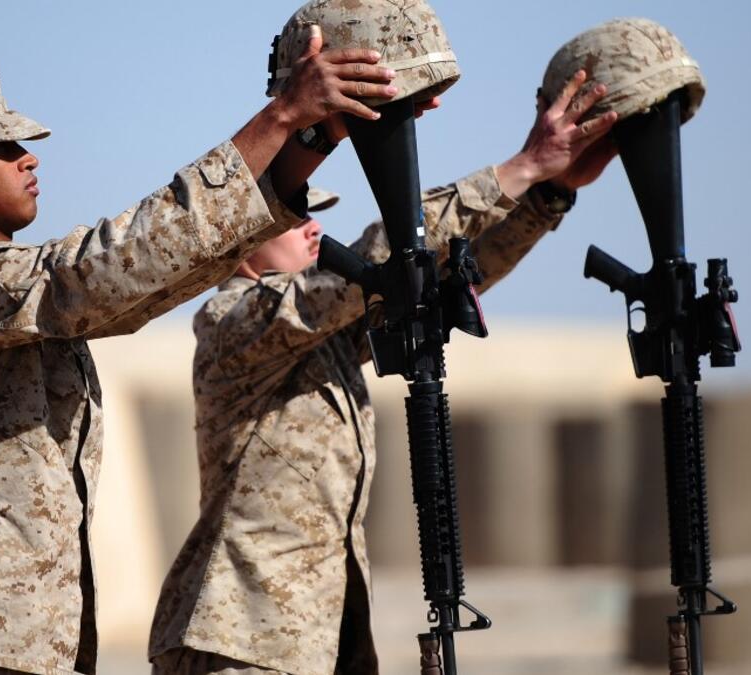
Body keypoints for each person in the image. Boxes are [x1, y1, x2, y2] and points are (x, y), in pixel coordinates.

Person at [0, 37, 398, 675]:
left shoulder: (7, 301)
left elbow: (159, 274)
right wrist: (279, 117)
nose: (28, 159)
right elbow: (109, 266)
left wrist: (315, 138)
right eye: (1, 147)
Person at [147, 2, 620, 674]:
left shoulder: (322, 338)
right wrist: (521, 167)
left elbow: (442, 271)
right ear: (239, 243)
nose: (314, 228)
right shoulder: (234, 324)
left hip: (318, 635)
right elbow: (390, 252)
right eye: (296, 215)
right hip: (240, 636)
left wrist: (548, 196)